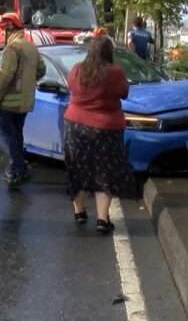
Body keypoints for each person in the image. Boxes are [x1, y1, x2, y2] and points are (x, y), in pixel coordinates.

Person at [63, 34, 136, 233]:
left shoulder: (78, 69)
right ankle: (103, 220)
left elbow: (70, 85)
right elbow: (124, 92)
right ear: (108, 52)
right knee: (105, 171)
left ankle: (79, 212)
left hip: (76, 125)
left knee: (77, 167)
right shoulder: (115, 72)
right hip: (106, 128)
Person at [0, 12, 46, 189]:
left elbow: (4, 77)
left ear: (10, 29)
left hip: (9, 103)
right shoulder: (31, 47)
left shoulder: (12, 49)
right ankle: (18, 169)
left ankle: (17, 166)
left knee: (4, 133)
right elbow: (42, 70)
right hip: (25, 102)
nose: (2, 34)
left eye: (3, 30)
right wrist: (29, 80)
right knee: (17, 133)